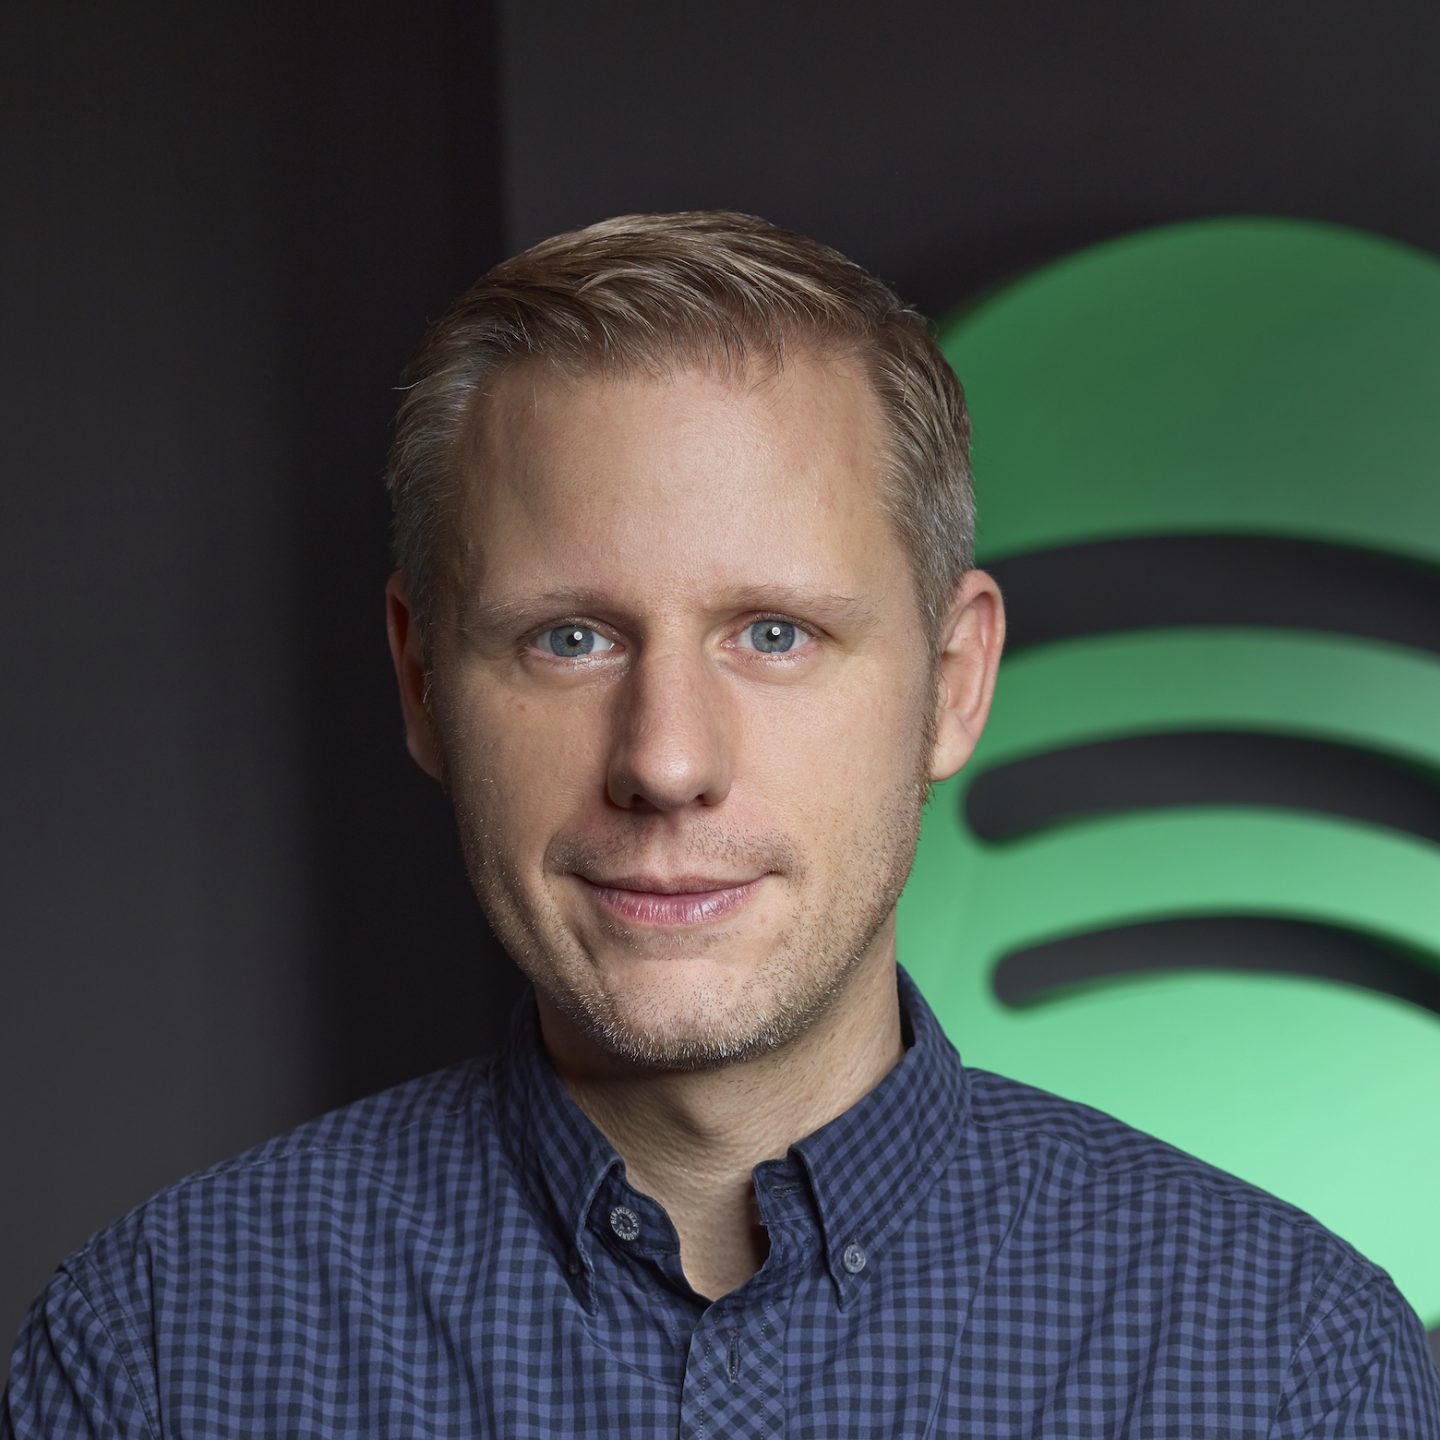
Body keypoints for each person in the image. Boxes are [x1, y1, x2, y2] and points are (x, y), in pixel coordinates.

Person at [4, 210, 1436, 1437]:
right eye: (568, 639)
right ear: (423, 684)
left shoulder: (1281, 1364)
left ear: (952, 685)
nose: (668, 762)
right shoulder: (163, 1352)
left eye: (774, 632)